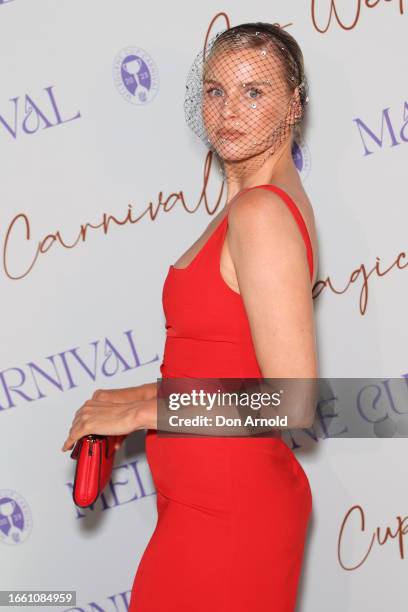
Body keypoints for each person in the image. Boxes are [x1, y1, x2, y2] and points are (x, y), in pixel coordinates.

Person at [62, 22, 318, 611]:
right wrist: (129, 395)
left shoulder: (260, 214)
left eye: (254, 92)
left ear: (294, 104)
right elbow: (227, 361)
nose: (230, 111)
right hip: (205, 506)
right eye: (215, 91)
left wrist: (143, 408)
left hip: (229, 518)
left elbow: (293, 401)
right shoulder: (251, 204)